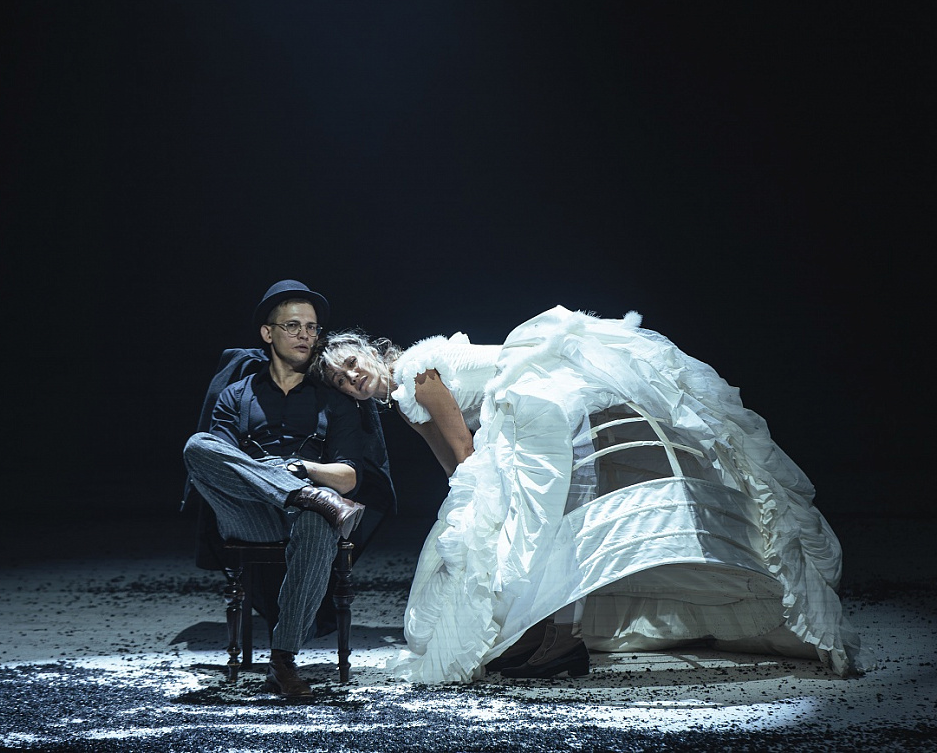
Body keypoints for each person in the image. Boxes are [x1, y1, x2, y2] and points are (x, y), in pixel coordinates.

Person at [312, 305, 863, 684]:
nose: (352, 377)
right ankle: (540, 634)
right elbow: (452, 461)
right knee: (509, 526)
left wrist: (472, 504)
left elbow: (463, 450)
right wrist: (466, 503)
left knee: (536, 526)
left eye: (351, 363)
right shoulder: (405, 400)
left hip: (541, 411)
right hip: (526, 422)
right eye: (341, 380)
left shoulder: (417, 371)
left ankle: (562, 640)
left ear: (369, 351)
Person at [183, 279, 391, 700]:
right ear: (268, 333)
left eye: (311, 328)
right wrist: (286, 484)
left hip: (309, 513)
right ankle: (298, 493)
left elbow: (349, 477)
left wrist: (300, 468)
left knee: (318, 522)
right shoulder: (235, 394)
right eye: (293, 326)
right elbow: (216, 461)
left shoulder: (334, 400)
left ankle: (282, 661)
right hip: (249, 512)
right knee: (197, 446)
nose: (304, 335)